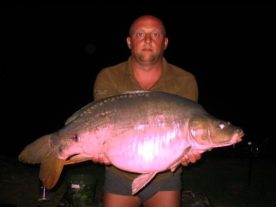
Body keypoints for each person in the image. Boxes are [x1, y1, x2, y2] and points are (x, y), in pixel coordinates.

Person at [93, 15, 201, 207]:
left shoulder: (185, 81)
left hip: (166, 177)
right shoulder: (108, 77)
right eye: (140, 34)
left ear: (165, 42)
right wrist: (96, 148)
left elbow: (187, 135)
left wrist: (188, 152)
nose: (148, 40)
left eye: (155, 34)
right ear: (129, 41)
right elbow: (100, 126)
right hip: (119, 173)